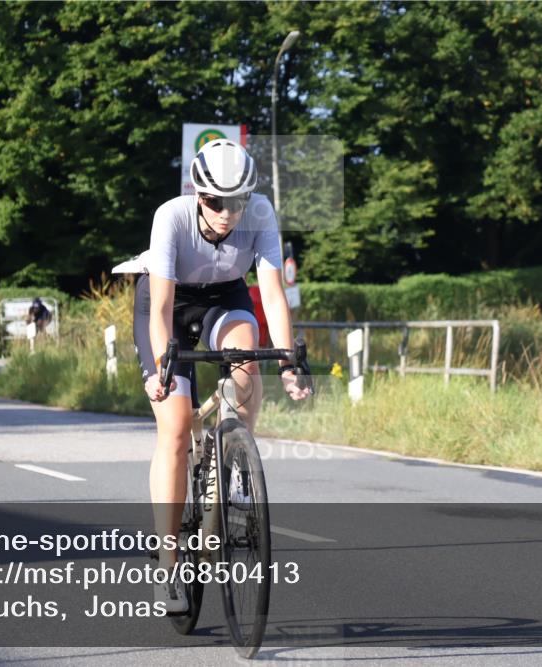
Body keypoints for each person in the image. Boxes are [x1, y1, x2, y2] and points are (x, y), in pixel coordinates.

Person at [126, 139, 311, 613]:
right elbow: (162, 306)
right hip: (169, 301)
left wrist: (289, 361)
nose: (227, 213)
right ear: (197, 194)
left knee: (247, 354)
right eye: (214, 202)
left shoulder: (262, 213)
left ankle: (233, 455)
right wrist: (162, 368)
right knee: (175, 429)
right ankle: (168, 561)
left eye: (237, 202)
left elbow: (271, 291)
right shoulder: (172, 216)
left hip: (224, 298)